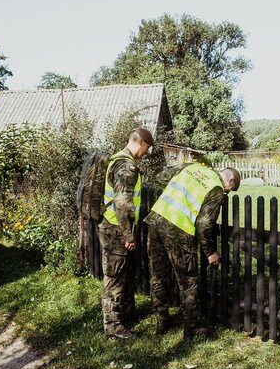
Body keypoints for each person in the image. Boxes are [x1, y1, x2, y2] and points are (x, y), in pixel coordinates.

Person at [144, 162, 241, 339]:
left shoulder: (192, 167)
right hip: (178, 231)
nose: (227, 193)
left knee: (158, 275)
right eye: (230, 190)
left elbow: (160, 177)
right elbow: (204, 225)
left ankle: (162, 320)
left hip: (156, 221)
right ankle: (192, 327)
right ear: (230, 180)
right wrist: (210, 252)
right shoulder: (216, 188)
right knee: (188, 281)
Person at [98, 127, 154, 340]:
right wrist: (128, 236)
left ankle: (124, 314)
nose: (147, 153)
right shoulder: (126, 167)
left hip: (111, 227)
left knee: (122, 274)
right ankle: (112, 325)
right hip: (116, 230)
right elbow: (122, 205)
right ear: (139, 142)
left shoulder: (117, 159)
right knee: (114, 277)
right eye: (147, 148)